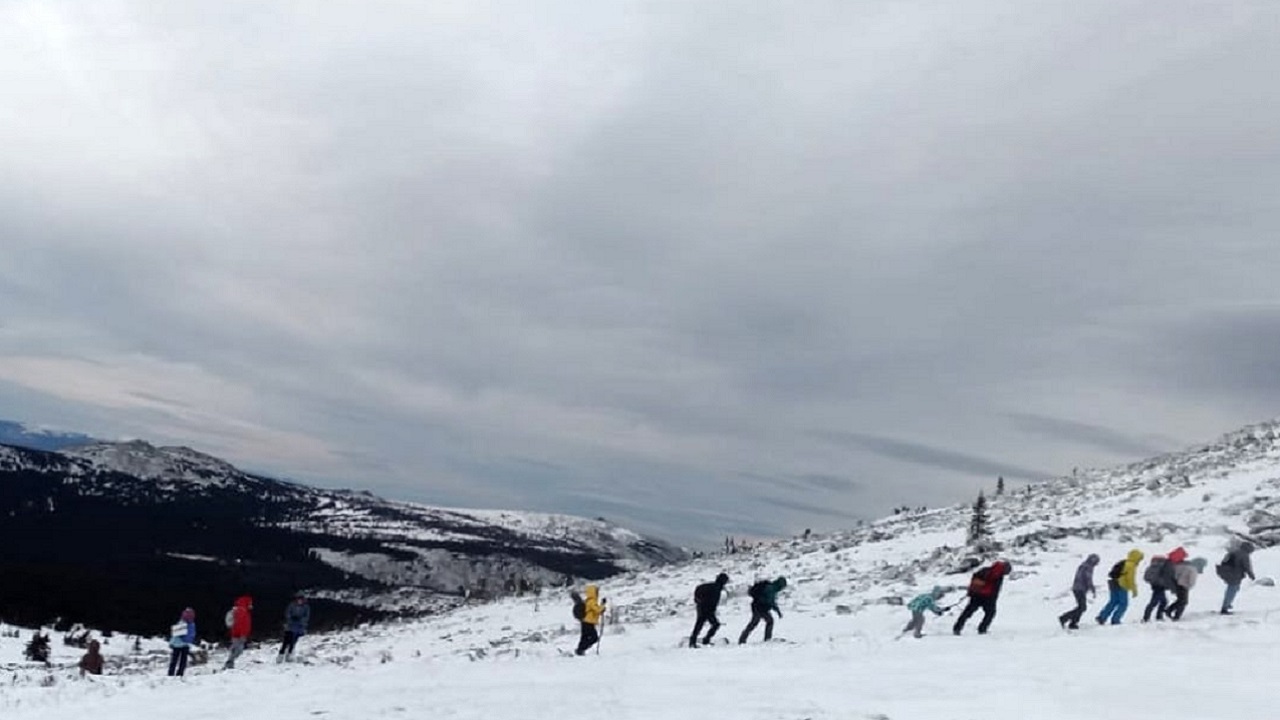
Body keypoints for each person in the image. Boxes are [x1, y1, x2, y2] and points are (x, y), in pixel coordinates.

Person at [953, 560, 1011, 635]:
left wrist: (971, 592)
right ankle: (982, 629)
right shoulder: (999, 575)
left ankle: (957, 628)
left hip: (976, 595)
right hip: (988, 597)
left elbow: (975, 579)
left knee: (967, 612)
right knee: (990, 613)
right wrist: (993, 598)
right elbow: (995, 589)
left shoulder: (986, 570)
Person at [1096, 550, 1143, 625]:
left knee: (1113, 601)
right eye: (1140, 558)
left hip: (1113, 583)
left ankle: (1102, 617)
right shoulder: (1131, 565)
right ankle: (1115, 619)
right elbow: (1131, 579)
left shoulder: (1124, 562)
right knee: (1123, 604)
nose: (1140, 560)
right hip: (1122, 584)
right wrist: (1134, 590)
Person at [738, 577, 787, 644]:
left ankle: (743, 639)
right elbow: (771, 602)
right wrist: (778, 611)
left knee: (764, 621)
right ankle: (743, 639)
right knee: (759, 622)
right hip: (759, 607)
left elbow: (770, 601)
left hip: (759, 607)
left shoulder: (772, 587)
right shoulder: (771, 589)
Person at [1058, 554, 1099, 629]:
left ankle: (1073, 623)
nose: (1097, 564)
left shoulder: (1084, 566)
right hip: (1080, 589)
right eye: (1096, 561)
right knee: (1082, 607)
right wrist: (1092, 588)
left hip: (1078, 588)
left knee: (1081, 607)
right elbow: (1088, 579)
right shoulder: (1087, 567)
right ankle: (1064, 618)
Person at [689, 573, 729, 648]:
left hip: (703, 608)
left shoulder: (713, 586)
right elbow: (712, 600)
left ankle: (695, 640)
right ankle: (700, 640)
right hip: (706, 609)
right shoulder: (716, 587)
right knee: (713, 624)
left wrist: (698, 600)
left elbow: (698, 589)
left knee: (700, 624)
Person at [1217, 541, 1256, 615]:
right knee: (1232, 589)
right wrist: (1251, 575)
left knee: (1233, 588)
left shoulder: (1234, 551)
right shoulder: (1244, 554)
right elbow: (1246, 566)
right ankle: (1225, 607)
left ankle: (1227, 604)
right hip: (1234, 574)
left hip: (1226, 572)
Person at [1142, 554, 1176, 622]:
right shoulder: (1161, 568)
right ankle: (1148, 617)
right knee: (1154, 602)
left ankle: (1155, 616)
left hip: (1155, 586)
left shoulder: (1151, 567)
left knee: (1163, 602)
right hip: (1160, 587)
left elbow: (1146, 577)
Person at [573, 585, 606, 655]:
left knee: (584, 637)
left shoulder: (588, 601)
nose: (597, 593)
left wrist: (601, 605)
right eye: (596, 591)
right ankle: (581, 649)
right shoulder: (592, 601)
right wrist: (603, 606)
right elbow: (598, 610)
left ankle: (580, 650)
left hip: (584, 621)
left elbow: (595, 610)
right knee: (594, 638)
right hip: (589, 622)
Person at [223, 595, 253, 670]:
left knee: (236, 649)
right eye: (250, 603)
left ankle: (230, 663)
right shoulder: (242, 611)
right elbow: (242, 624)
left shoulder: (239, 610)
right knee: (239, 649)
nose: (251, 605)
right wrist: (242, 635)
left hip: (236, 634)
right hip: (239, 635)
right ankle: (229, 663)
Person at [278, 594, 311, 663]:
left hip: (299, 627)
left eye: (301, 600)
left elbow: (306, 616)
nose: (300, 601)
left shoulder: (306, 607)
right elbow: (287, 614)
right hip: (290, 626)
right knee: (286, 641)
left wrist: (301, 621)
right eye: (298, 600)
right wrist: (291, 620)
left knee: (293, 642)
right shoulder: (291, 605)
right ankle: (281, 655)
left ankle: (289, 655)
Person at [168, 608, 196, 677]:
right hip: (186, 644)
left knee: (174, 660)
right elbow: (193, 634)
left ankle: (171, 674)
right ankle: (180, 674)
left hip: (177, 644)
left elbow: (175, 635)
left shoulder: (181, 623)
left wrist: (171, 643)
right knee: (183, 660)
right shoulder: (192, 624)